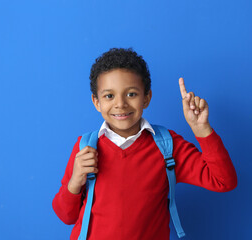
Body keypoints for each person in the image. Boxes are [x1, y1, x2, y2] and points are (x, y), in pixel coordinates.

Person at [52, 48, 237, 240]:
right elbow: (66, 216)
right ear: (96, 102)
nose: (120, 104)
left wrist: (201, 129)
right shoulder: (86, 147)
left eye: (131, 94)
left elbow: (223, 181)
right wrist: (75, 182)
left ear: (146, 97)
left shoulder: (168, 146)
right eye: (109, 96)